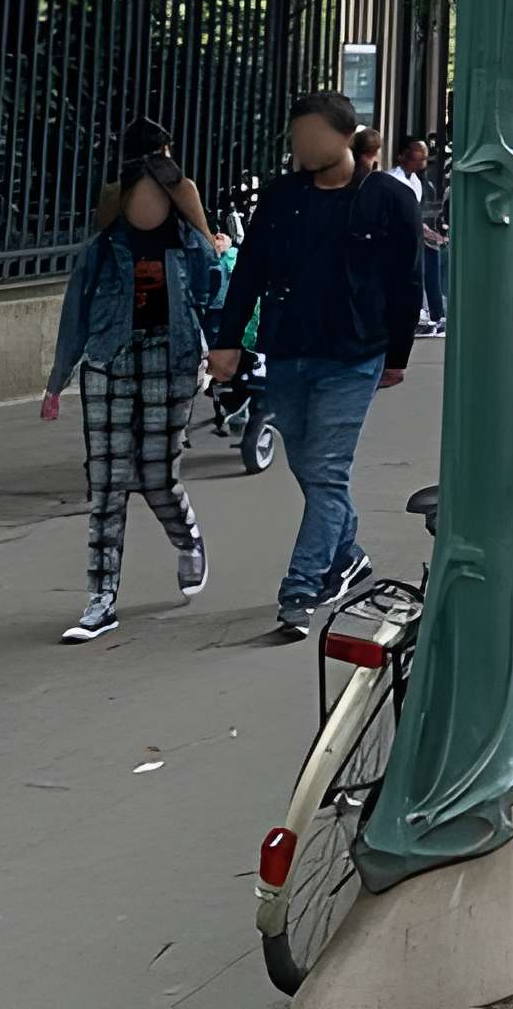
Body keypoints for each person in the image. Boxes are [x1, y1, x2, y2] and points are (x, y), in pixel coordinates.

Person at [209, 91, 423, 639]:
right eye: (295, 137)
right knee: (309, 470)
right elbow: (250, 269)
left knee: (326, 471)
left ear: (344, 135)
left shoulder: (389, 199)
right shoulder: (282, 197)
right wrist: (227, 340)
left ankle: (300, 590)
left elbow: (406, 282)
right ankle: (347, 555)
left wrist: (397, 354)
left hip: (354, 355)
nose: (300, 146)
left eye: (310, 136)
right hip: (287, 351)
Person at [43, 144, 219, 642]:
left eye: (156, 197)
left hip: (174, 359)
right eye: (136, 197)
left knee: (158, 476)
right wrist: (57, 380)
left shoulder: (190, 244)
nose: (146, 207)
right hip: (108, 360)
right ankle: (101, 601)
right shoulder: (102, 249)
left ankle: (188, 540)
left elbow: (215, 292)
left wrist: (221, 353)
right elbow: (73, 313)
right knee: (108, 480)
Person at [389, 136, 446, 334]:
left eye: (425, 157)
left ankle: (429, 313)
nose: (423, 161)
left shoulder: (416, 182)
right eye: (418, 156)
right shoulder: (395, 179)